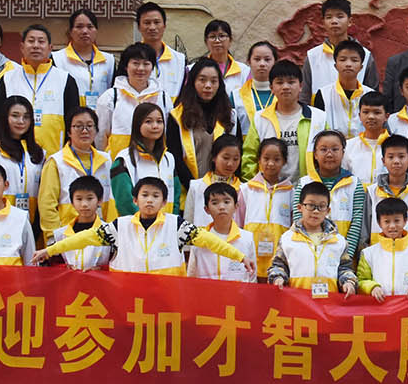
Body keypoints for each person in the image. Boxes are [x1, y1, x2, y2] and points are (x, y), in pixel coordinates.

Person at [33, 176, 248, 275]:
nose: (150, 200)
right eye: (145, 195)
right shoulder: (119, 226)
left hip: (166, 302)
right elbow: (84, 238)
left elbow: (209, 240)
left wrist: (239, 256)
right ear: (135, 200)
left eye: (156, 196)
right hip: (127, 301)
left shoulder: (177, 226)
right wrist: (50, 250)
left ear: (164, 202)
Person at [0, 23, 80, 156]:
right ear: (22, 47)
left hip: (55, 157)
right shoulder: (8, 78)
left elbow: (74, 122)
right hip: (13, 157)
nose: (36, 46)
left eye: (41, 42)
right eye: (31, 41)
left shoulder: (65, 80)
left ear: (50, 48)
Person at [265, 182, 356, 295]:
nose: (316, 211)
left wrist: (348, 282)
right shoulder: (287, 239)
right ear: (300, 208)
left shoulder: (339, 241)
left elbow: (345, 268)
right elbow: (278, 266)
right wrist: (278, 278)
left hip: (329, 301)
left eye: (321, 206)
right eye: (311, 205)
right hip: (297, 300)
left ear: (328, 211)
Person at [36, 108, 115, 229]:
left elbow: (112, 201)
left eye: (90, 126)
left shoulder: (106, 160)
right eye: (78, 126)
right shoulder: (56, 162)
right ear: (69, 132)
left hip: (101, 232)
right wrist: (54, 236)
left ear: (96, 130)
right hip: (68, 234)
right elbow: (47, 205)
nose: (85, 131)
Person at [245, 60, 328, 178]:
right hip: (269, 187)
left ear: (300, 86)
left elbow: (327, 153)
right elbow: (249, 157)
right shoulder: (260, 118)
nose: (285, 87)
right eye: (279, 82)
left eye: (291, 82)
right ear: (271, 88)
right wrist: (255, 185)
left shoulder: (318, 117)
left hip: (308, 186)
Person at [0, 96, 45, 234]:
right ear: (5, 118)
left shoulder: (39, 153)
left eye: (26, 117)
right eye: (15, 116)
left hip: (32, 221)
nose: (21, 121)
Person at [108, 102, 189, 215]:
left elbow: (175, 197)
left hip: (166, 223)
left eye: (159, 121)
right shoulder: (124, 159)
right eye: (148, 121)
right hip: (134, 224)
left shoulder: (169, 158)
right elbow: (124, 203)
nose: (155, 126)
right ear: (137, 125)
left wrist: (171, 221)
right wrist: (145, 223)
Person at [296, 130, 367, 255]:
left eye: (335, 149)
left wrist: (346, 256)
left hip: (343, 256)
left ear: (343, 153)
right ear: (315, 154)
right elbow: (298, 220)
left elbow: (357, 224)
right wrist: (309, 253)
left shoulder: (354, 184)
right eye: (323, 149)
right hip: (309, 254)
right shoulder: (304, 183)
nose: (329, 154)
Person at [170, 58, 242, 180]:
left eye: (213, 81)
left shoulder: (231, 116)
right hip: (188, 187)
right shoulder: (177, 116)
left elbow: (238, 156)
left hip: (224, 187)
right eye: (202, 80)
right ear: (193, 82)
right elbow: (175, 158)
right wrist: (194, 186)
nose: (208, 86)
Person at [238, 138, 297, 279]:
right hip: (249, 258)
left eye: (276, 159)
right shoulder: (246, 190)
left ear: (284, 161)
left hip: (279, 260)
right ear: (259, 159)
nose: (270, 163)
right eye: (266, 158)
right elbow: (237, 224)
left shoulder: (291, 192)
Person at [357, 197, 408, 300]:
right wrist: (372, 287)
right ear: (379, 223)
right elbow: (361, 280)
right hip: (379, 307)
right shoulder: (368, 253)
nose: (392, 226)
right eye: (387, 221)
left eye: (397, 220)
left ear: (405, 221)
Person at [100, 42, 170, 154]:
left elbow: (167, 133)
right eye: (135, 63)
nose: (141, 68)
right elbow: (101, 135)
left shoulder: (163, 97)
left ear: (152, 67)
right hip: (118, 161)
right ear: (126, 66)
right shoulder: (110, 97)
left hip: (153, 159)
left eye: (146, 64)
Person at [303, 0, 377, 100]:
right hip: (320, 110)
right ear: (323, 22)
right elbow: (305, 97)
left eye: (340, 16)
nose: (334, 21)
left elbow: (373, 97)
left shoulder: (365, 55)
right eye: (329, 17)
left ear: (350, 21)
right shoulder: (313, 56)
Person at [187, 181, 255, 282]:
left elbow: (252, 276)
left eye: (226, 202)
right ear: (206, 209)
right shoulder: (199, 239)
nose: (222, 207)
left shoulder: (247, 238)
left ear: (236, 206)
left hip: (238, 292)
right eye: (215, 203)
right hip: (205, 291)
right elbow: (191, 275)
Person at [367, 135, 408, 241]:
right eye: (390, 157)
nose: (396, 161)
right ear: (383, 161)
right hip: (378, 249)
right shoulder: (372, 191)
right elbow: (365, 228)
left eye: (401, 156)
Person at [45, 176, 112, 272]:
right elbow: (52, 265)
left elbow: (117, 262)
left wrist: (102, 269)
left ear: (100, 200)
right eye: (79, 199)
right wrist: (64, 268)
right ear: (72, 202)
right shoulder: (60, 234)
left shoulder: (109, 231)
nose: (84, 204)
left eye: (89, 198)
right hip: (70, 281)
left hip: (99, 281)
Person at [54, 9, 115, 110]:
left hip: (101, 116)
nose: (85, 31)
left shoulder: (109, 61)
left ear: (96, 31)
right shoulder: (57, 59)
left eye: (90, 27)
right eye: (79, 27)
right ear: (70, 31)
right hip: (71, 116)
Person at [183, 135, 246, 227]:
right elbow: (188, 222)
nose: (230, 164)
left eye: (235, 159)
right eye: (226, 158)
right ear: (214, 157)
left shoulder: (244, 190)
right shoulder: (196, 187)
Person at [313, 39, 372, 137]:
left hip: (363, 145)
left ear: (361, 67)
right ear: (335, 65)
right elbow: (318, 128)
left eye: (354, 60)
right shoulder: (323, 94)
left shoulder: (370, 94)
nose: (348, 64)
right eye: (343, 59)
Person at [133, 2, 189, 98]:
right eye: (147, 23)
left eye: (156, 22)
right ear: (138, 27)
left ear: (164, 25)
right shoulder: (130, 58)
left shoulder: (179, 60)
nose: (152, 27)